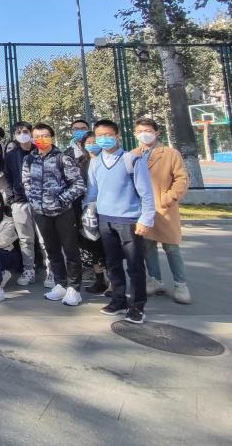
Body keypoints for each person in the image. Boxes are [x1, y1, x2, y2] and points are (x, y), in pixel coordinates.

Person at [85, 119, 157, 324]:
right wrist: (88, 213)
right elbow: (92, 193)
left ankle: (137, 306)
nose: (104, 139)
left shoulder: (131, 160)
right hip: (104, 220)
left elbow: (146, 193)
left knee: (135, 265)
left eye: (108, 135)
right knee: (112, 263)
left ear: (117, 136)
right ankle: (118, 300)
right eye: (100, 136)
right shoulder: (95, 162)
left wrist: (146, 219)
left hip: (128, 219)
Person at [22, 123, 87, 307]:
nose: (41, 139)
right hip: (41, 213)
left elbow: (79, 185)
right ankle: (60, 284)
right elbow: (26, 181)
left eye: (45, 135)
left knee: (70, 250)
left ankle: (74, 288)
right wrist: (34, 200)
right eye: (37, 136)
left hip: (63, 212)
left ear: (51, 137)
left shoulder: (62, 158)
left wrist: (61, 200)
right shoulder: (29, 159)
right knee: (52, 250)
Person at [134, 117, 191, 304]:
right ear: (135, 134)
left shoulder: (170, 153)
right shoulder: (133, 154)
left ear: (156, 133)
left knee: (171, 247)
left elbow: (182, 178)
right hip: (142, 209)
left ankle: (180, 284)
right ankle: (155, 279)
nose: (144, 134)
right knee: (147, 246)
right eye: (140, 131)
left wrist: (170, 197)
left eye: (148, 131)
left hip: (164, 208)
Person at [65, 119, 107, 295]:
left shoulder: (107, 159)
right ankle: (99, 278)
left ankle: (112, 280)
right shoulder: (79, 160)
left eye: (94, 141)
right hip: (85, 208)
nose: (91, 145)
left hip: (106, 208)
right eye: (88, 143)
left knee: (107, 244)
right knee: (91, 242)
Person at [4, 122, 41, 286]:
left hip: (41, 201)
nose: (22, 134)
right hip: (20, 202)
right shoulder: (11, 155)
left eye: (25, 131)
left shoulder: (40, 150)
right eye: (18, 132)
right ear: (14, 136)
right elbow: (7, 178)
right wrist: (12, 199)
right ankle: (28, 270)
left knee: (44, 238)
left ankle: (52, 271)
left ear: (31, 133)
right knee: (25, 239)